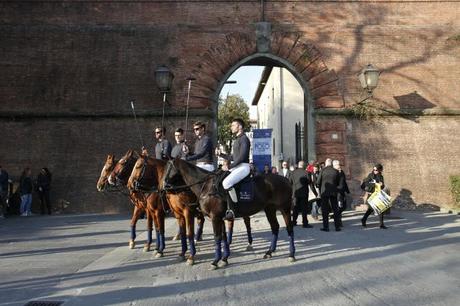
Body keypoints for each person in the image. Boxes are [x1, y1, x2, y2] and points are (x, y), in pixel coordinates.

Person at [215, 118, 251, 220]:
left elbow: (242, 157)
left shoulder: (244, 139)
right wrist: (221, 154)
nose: (231, 127)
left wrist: (229, 166)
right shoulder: (237, 139)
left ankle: (233, 210)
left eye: (233, 125)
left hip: (244, 167)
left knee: (226, 183)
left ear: (239, 126)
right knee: (219, 178)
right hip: (237, 167)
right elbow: (233, 157)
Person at [316, 158, 341, 231]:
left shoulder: (322, 171)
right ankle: (337, 227)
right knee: (335, 209)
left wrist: (320, 188)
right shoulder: (335, 171)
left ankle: (326, 227)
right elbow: (338, 182)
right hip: (333, 192)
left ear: (326, 163)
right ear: (331, 163)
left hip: (324, 192)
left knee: (325, 210)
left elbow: (318, 182)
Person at [361, 163, 388, 229]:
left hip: (378, 195)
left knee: (380, 209)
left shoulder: (381, 176)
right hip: (371, 195)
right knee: (370, 209)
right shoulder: (370, 175)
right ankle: (363, 219)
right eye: (374, 169)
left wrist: (382, 185)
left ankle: (381, 224)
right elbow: (366, 183)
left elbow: (382, 186)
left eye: (376, 170)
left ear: (380, 170)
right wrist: (375, 184)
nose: (375, 171)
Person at [291, 161, 312, 228]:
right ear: (304, 166)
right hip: (304, 193)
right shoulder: (306, 172)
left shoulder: (293, 172)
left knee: (295, 207)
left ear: (298, 165)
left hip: (296, 192)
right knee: (304, 208)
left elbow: (290, 181)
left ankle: (293, 221)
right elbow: (309, 182)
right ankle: (305, 223)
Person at [333, 160, 349, 227]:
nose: (339, 165)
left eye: (339, 164)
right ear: (334, 166)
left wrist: (347, 190)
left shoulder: (341, 171)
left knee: (343, 206)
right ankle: (338, 221)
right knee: (339, 207)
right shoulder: (333, 172)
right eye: (338, 164)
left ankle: (336, 216)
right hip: (337, 192)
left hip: (342, 191)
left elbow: (344, 181)